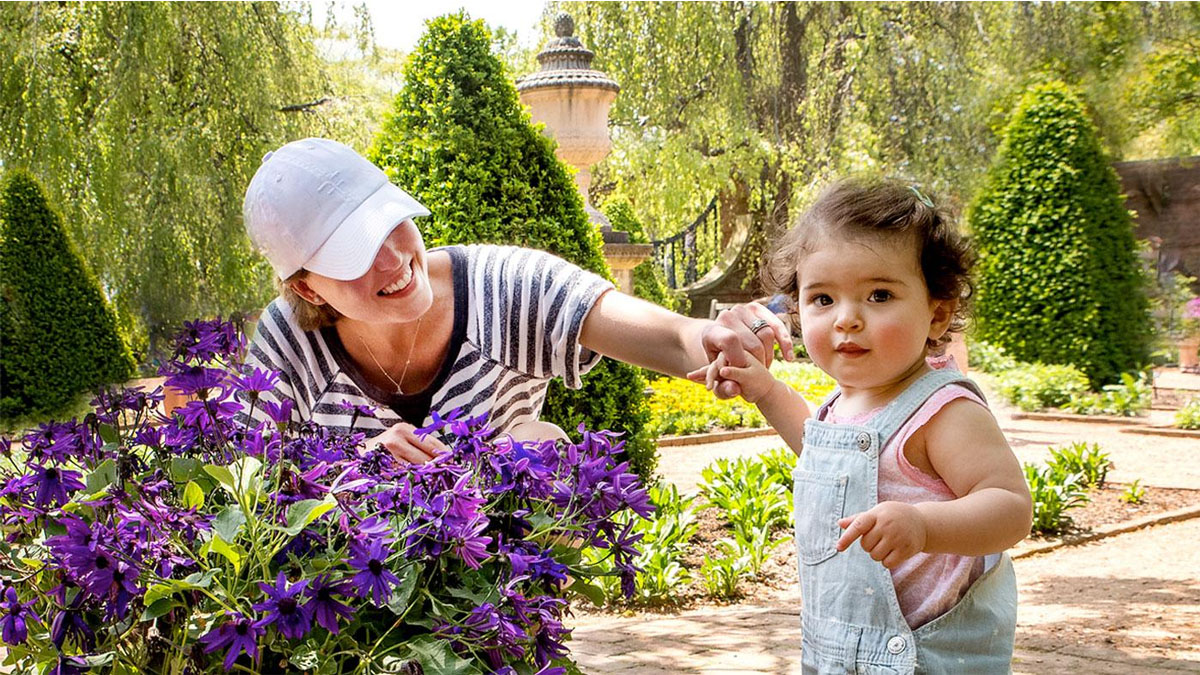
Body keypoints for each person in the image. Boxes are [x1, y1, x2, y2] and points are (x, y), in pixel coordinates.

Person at [239, 137, 788, 462]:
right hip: (358, 628)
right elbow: (245, 484)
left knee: (537, 441)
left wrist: (716, 336)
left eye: (389, 224)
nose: (392, 260)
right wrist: (358, 468)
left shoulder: (502, 285)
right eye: (352, 255)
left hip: (501, 605)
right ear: (308, 287)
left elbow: (671, 338)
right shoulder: (288, 340)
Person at [693, 178, 1032, 672]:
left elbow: (1011, 509)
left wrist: (923, 526)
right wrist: (765, 389)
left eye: (878, 295)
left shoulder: (943, 412)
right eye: (823, 299)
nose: (847, 319)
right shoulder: (845, 403)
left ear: (938, 314)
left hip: (924, 655)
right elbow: (819, 449)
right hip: (835, 648)